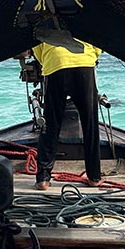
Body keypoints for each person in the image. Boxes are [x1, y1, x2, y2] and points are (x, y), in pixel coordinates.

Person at [31, 39, 103, 190]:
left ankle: (43, 179)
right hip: (84, 62)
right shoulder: (88, 14)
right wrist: (91, 56)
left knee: (50, 123)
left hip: (55, 63)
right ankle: (94, 177)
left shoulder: (43, 14)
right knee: (90, 123)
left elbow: (36, 42)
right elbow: (98, 40)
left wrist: (47, 61)